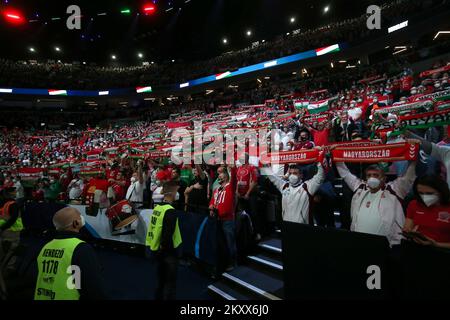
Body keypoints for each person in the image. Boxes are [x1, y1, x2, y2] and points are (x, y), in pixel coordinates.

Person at [335, 160, 416, 245]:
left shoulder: (395, 189)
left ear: (384, 178)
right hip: (359, 242)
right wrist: (337, 157)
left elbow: (410, 175)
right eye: (369, 175)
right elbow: (344, 173)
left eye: (376, 175)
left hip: (387, 246)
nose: (372, 178)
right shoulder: (359, 187)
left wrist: (415, 156)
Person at [34, 207, 108, 300]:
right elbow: (93, 286)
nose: (81, 218)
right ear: (75, 223)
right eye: (79, 216)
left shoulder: (45, 247)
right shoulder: (81, 248)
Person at [146, 181, 182, 300]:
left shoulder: (158, 208)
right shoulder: (170, 210)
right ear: (171, 193)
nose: (177, 194)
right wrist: (164, 248)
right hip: (168, 253)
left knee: (160, 282)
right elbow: (167, 235)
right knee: (169, 285)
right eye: (176, 191)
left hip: (157, 250)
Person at [403, 175, 450, 249]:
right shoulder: (414, 204)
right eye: (421, 193)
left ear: (441, 191)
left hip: (443, 252)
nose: (425, 197)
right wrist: (408, 232)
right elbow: (408, 226)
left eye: (429, 193)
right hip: (416, 248)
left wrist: (437, 244)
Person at [209, 165, 237, 271]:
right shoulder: (217, 190)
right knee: (221, 243)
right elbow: (212, 201)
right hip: (217, 220)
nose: (219, 176)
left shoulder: (230, 187)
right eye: (218, 175)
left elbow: (234, 178)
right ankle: (223, 262)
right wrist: (211, 207)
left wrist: (232, 169)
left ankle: (233, 263)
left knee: (230, 242)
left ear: (226, 176)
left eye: (221, 174)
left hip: (227, 220)